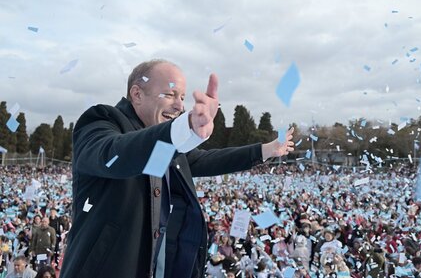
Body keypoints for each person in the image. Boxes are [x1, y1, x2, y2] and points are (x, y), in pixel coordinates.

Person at [60, 59, 294, 278]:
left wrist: (265, 150)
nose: (180, 106)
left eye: (182, 97)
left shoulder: (163, 149)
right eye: (170, 95)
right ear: (137, 93)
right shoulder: (102, 121)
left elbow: (203, 160)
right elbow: (114, 154)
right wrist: (183, 129)